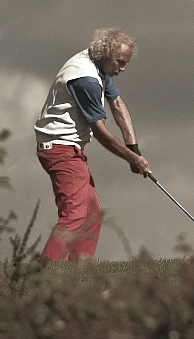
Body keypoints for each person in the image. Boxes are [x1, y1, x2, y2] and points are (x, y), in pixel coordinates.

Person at [34, 28, 151, 260]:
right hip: (60, 148)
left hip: (66, 147)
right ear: (106, 53)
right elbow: (100, 132)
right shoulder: (86, 79)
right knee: (74, 216)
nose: (123, 68)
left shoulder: (98, 66)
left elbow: (116, 104)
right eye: (120, 62)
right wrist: (133, 159)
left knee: (91, 215)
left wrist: (133, 148)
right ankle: (40, 277)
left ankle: (79, 276)